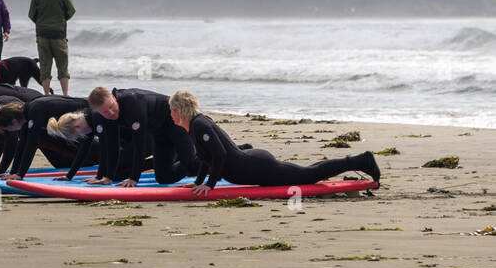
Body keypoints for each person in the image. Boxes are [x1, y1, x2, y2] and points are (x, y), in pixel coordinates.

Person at [168, 90, 380, 194]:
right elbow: (208, 159)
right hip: (251, 165)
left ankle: (361, 160)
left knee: (310, 176)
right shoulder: (195, 126)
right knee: (307, 172)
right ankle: (359, 161)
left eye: (172, 110)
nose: (170, 114)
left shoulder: (200, 126)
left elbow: (220, 156)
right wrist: (198, 183)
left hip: (256, 167)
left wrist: (209, 185)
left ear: (181, 110)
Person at [61, 86, 199, 186]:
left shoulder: (132, 103)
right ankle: (200, 159)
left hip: (176, 123)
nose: (111, 113)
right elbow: (112, 147)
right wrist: (107, 177)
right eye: (105, 112)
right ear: (98, 112)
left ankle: (212, 161)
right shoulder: (104, 117)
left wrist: (134, 178)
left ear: (113, 98)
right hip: (159, 134)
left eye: (111, 107)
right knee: (164, 178)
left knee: (191, 168)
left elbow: (140, 144)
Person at [28, 0, 75, 95]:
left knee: (44, 66)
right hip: (59, 34)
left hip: (42, 35)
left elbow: (31, 14)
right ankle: (65, 94)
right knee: (63, 67)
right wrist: (61, 20)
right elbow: (71, 10)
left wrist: (40, 23)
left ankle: (46, 95)